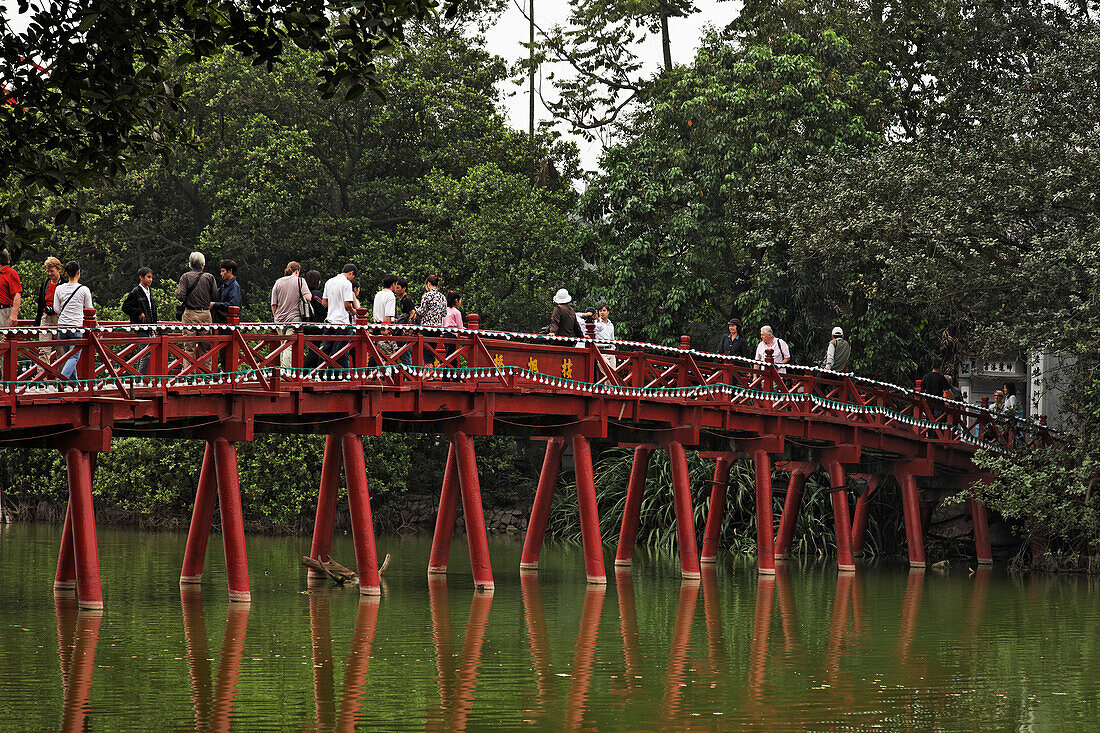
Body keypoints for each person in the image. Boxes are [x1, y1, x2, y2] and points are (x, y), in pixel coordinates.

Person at [54, 260, 94, 381]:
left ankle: (75, 385)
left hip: (62, 325)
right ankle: (62, 381)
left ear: (66, 273)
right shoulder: (84, 290)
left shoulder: (59, 289)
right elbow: (90, 309)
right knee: (74, 357)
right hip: (76, 326)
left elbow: (56, 309)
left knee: (68, 356)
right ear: (78, 272)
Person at [269, 261, 313, 370]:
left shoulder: (278, 282)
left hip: (279, 318)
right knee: (288, 345)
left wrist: (276, 317)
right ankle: (285, 372)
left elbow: (274, 303)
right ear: (297, 271)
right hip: (294, 317)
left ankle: (281, 371)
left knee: (282, 345)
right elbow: (308, 298)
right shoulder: (300, 281)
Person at [176, 252, 218, 360]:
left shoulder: (185, 277)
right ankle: (207, 376)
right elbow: (215, 296)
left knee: (189, 348)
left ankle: (190, 376)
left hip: (189, 314)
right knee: (206, 348)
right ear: (203, 265)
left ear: (190, 264)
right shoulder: (209, 277)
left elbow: (180, 296)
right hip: (205, 314)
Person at [121, 266, 158, 375]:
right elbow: (125, 307)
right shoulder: (136, 292)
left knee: (142, 352)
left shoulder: (149, 291)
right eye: (148, 277)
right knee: (146, 352)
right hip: (140, 326)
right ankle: (140, 378)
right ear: (141, 277)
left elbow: (152, 309)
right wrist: (138, 313)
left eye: (151, 277)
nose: (150, 280)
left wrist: (155, 325)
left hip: (149, 326)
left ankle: (138, 377)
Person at [321, 264, 357, 373]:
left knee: (326, 350)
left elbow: (324, 302)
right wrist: (354, 312)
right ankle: (340, 375)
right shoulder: (346, 283)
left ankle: (321, 374)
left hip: (329, 320)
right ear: (351, 273)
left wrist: (334, 305)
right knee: (341, 352)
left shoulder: (329, 282)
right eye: (353, 277)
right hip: (342, 322)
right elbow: (347, 304)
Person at [34, 256, 64, 366]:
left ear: (58, 270)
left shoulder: (64, 285)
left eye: (52, 271)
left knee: (61, 350)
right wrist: (37, 324)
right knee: (43, 349)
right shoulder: (46, 284)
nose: (50, 274)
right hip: (46, 317)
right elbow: (40, 304)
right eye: (48, 271)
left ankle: (62, 380)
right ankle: (41, 379)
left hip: (59, 318)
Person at [303, 269, 327, 370]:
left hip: (306, 325)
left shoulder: (305, 293)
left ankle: (313, 372)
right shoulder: (316, 294)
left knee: (314, 350)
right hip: (316, 325)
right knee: (314, 351)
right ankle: (304, 373)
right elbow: (322, 309)